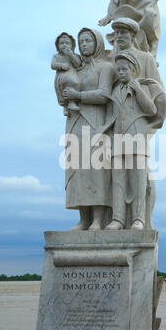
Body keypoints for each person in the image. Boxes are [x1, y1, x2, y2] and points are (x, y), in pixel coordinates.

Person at [105, 51, 166, 230]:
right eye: (118, 70)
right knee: (118, 181)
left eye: (125, 69)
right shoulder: (115, 90)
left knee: (139, 182)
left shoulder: (142, 87)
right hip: (118, 139)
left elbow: (150, 110)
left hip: (137, 139)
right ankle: (118, 219)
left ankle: (138, 219)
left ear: (133, 70)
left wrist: (138, 89)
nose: (121, 72)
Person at [61, 28, 115, 230]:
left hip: (97, 123)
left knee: (97, 170)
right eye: (81, 41)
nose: (83, 44)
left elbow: (104, 94)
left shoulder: (106, 67)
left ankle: (99, 219)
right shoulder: (74, 69)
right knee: (77, 169)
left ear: (97, 43)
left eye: (88, 41)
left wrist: (78, 95)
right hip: (75, 122)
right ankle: (84, 218)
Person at [51, 32, 82, 116]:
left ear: (72, 46)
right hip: (61, 77)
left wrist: (71, 55)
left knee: (75, 83)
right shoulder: (56, 56)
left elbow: (78, 64)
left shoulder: (74, 55)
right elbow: (52, 65)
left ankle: (71, 103)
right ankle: (66, 107)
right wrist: (61, 65)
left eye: (67, 43)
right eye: (61, 43)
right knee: (65, 88)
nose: (64, 45)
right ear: (57, 46)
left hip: (73, 76)